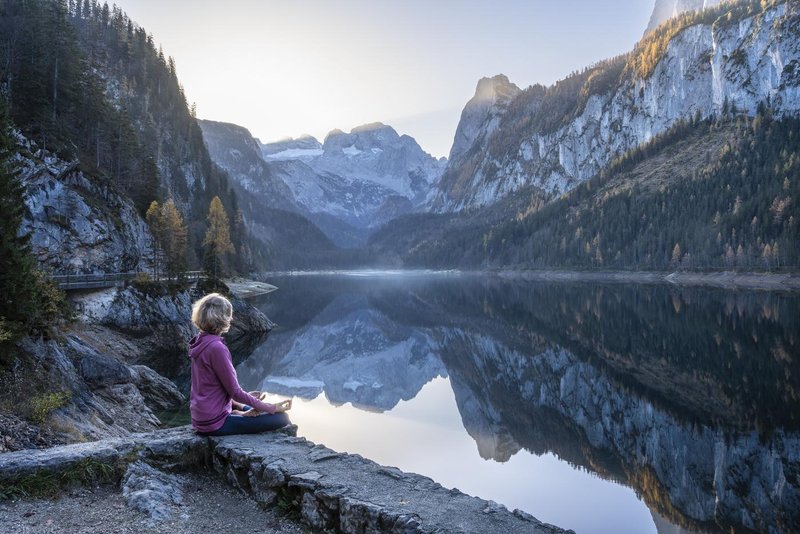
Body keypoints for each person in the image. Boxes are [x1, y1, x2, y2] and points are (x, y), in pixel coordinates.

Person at [188, 292, 291, 436]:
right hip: (215, 422)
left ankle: (239, 412)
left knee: (252, 407)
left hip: (201, 417)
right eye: (229, 315)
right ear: (223, 318)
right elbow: (235, 392)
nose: (231, 318)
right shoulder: (217, 348)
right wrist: (272, 407)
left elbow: (211, 387)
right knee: (281, 418)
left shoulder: (200, 342)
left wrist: (247, 401)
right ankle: (239, 414)